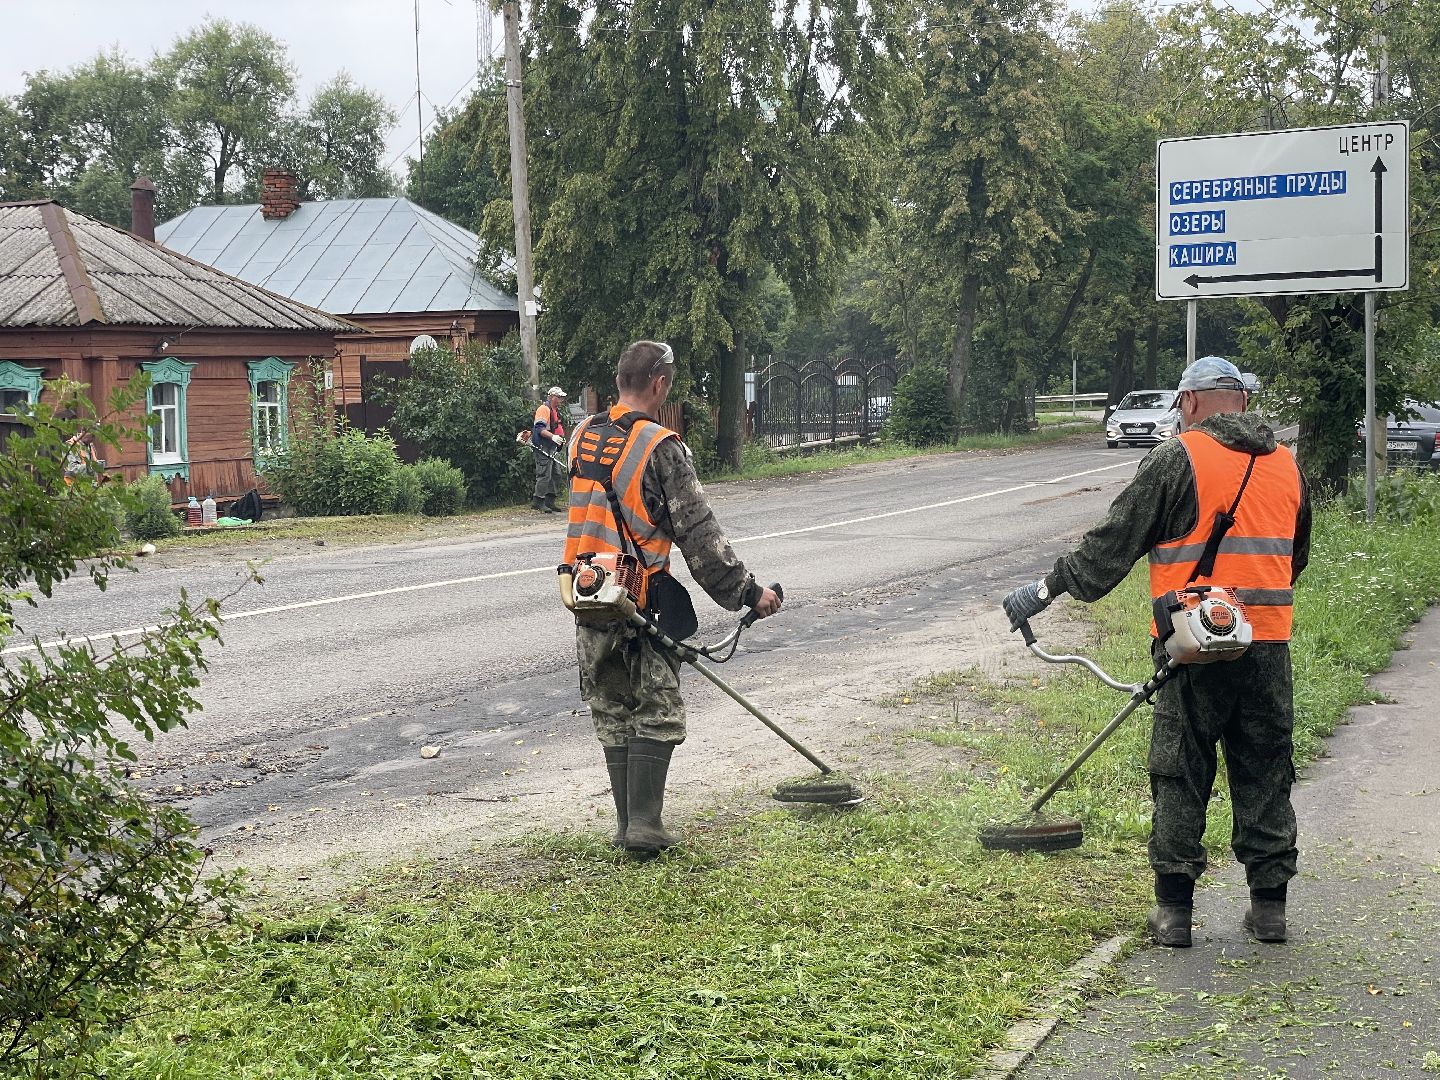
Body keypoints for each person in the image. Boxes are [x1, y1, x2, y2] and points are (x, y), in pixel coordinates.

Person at [1002, 356, 1311, 949]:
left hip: (1192, 647)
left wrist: (1043, 592)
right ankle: (1269, 909)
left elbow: (1112, 543)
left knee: (1179, 770)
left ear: (1190, 402)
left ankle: (1174, 915)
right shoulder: (1287, 465)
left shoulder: (1180, 457)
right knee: (1266, 768)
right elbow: (1295, 556)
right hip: (1267, 645)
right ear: (1241, 401)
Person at [564, 340, 782, 854]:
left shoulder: (581, 436)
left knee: (613, 705)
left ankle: (627, 824)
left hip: (585, 588)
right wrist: (749, 593)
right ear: (659, 384)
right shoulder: (659, 445)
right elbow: (700, 536)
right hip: (639, 597)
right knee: (655, 706)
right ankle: (644, 824)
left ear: (619, 380)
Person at [532, 385, 568, 513]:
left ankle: (549, 501)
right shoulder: (543, 409)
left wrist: (561, 439)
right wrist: (553, 437)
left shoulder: (554, 410)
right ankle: (538, 502)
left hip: (551, 447)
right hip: (543, 446)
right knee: (544, 474)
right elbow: (539, 429)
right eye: (559, 397)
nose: (561, 400)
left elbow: (556, 427)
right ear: (552, 397)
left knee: (556, 474)